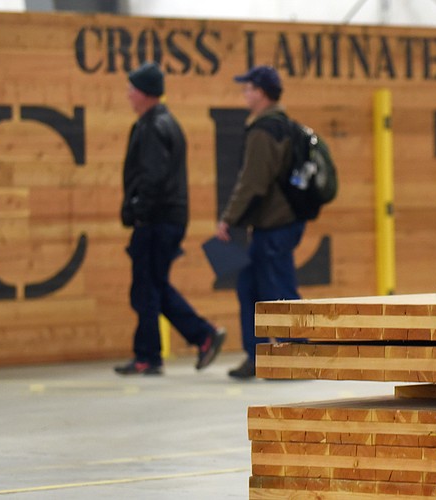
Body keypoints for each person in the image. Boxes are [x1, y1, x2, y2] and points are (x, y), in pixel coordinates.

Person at [115, 62, 225, 376]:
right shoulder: (164, 122)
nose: (127, 95)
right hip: (167, 218)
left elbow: (152, 177)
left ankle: (155, 353)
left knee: (147, 288)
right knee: (152, 286)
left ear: (144, 93)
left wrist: (138, 211)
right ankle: (198, 337)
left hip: (157, 220)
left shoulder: (153, 126)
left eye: (131, 89)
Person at [217, 65, 305, 380]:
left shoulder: (263, 131)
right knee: (251, 286)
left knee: (278, 290)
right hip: (281, 222)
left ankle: (297, 355)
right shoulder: (287, 126)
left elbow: (252, 183)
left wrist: (229, 219)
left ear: (262, 93)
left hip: (274, 225)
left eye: (248, 88)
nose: (244, 93)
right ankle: (257, 356)